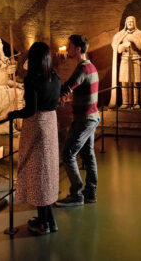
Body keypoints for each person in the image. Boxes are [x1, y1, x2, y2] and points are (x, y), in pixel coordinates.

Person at [8, 42, 60, 235]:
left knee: (39, 174)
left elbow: (31, 109)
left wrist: (13, 114)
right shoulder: (55, 77)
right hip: (50, 124)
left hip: (37, 125)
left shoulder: (33, 80)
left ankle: (44, 224)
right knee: (46, 173)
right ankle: (49, 220)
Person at [56, 34, 100, 207]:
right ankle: (90, 192)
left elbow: (68, 87)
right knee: (88, 154)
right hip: (92, 117)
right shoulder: (91, 66)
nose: (68, 49)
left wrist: (56, 95)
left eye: (70, 46)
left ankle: (76, 194)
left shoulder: (82, 69)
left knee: (68, 154)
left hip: (84, 119)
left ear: (78, 49)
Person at [109, 16, 141, 110]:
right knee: (124, 82)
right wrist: (123, 45)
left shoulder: (140, 34)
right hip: (124, 60)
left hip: (136, 59)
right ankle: (125, 102)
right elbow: (117, 49)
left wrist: (134, 40)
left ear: (135, 23)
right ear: (125, 23)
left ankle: (136, 103)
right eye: (128, 22)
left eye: (132, 21)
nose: (129, 23)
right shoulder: (121, 35)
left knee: (136, 82)